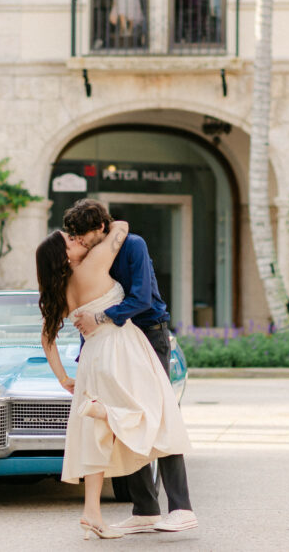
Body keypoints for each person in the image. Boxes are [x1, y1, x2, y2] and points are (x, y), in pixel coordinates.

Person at [37, 219, 191, 541]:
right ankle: (177, 508)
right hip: (122, 349)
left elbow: (47, 339)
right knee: (157, 412)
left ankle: (106, 510)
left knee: (103, 433)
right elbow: (120, 225)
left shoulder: (60, 290)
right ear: (65, 256)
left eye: (78, 235)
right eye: (71, 240)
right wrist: (104, 229)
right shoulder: (92, 265)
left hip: (92, 358)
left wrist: (63, 377)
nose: (78, 241)